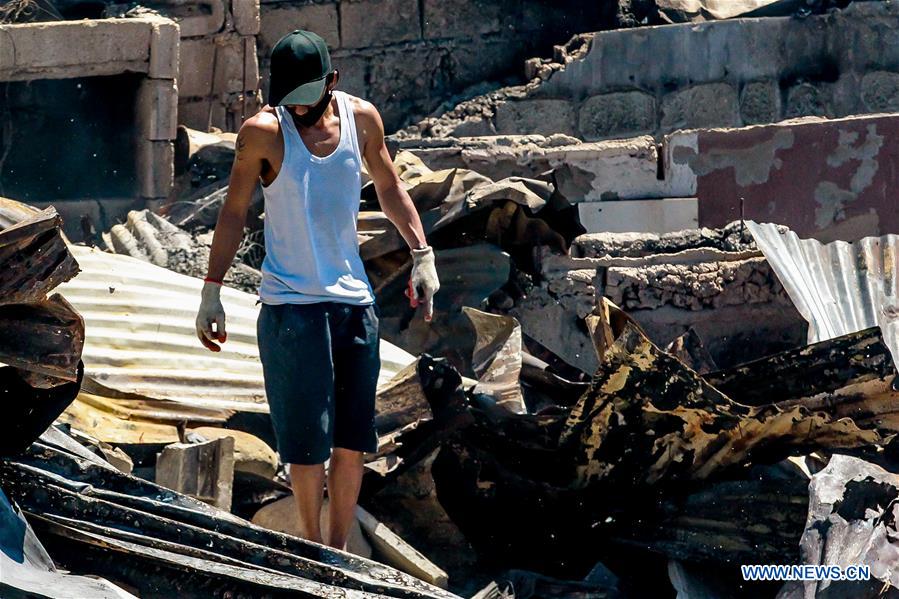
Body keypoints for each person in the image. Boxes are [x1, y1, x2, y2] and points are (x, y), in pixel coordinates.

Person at [194, 29, 439, 551]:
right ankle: (312, 550)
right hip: (291, 309)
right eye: (289, 101)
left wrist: (421, 254)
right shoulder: (263, 131)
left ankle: (340, 547)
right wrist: (211, 291)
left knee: (352, 440)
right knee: (306, 445)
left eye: (306, 101)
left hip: (353, 304)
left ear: (332, 82)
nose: (297, 111)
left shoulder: (362, 119)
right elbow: (234, 211)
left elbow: (390, 186)